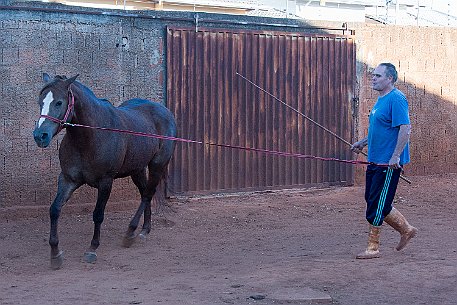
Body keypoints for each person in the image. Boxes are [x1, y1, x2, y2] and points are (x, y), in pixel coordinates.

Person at [351, 62, 417, 259]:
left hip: (388, 163)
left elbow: (405, 129)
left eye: (378, 76)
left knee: (377, 203)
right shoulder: (381, 100)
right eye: (373, 75)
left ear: (390, 78)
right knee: (375, 200)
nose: (373, 78)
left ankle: (373, 248)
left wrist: (395, 156)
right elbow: (378, 130)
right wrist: (362, 143)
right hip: (375, 159)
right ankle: (406, 230)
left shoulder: (396, 99)